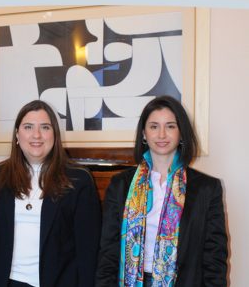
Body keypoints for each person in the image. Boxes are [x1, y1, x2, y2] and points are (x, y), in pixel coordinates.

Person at [96, 95, 228, 286]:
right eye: (154, 126)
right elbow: (108, 252)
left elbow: (215, 258)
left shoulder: (207, 189)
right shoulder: (120, 185)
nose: (162, 134)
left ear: (181, 133)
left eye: (170, 126)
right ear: (144, 133)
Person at [0, 99, 101, 287]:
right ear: (17, 135)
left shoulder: (79, 180)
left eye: (45, 127)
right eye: (28, 127)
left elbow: (88, 250)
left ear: (54, 135)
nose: (36, 135)